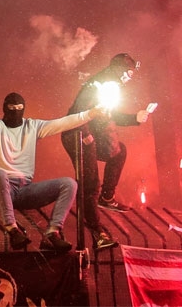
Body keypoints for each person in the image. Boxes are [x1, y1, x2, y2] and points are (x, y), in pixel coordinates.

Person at [0, 90, 106, 252]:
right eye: (12, 108)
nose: (16, 111)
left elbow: (62, 123)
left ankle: (52, 233)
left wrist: (91, 113)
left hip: (24, 189)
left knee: (69, 184)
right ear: (5, 109)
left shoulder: (32, 127)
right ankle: (12, 229)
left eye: (19, 108)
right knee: (0, 174)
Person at [61, 53, 150, 250]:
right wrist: (85, 134)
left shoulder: (111, 86)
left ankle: (107, 198)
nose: (130, 77)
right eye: (128, 73)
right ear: (119, 71)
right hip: (77, 134)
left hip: (91, 133)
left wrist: (135, 117)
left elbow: (110, 115)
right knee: (90, 183)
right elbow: (78, 110)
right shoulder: (97, 85)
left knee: (119, 152)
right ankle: (97, 233)